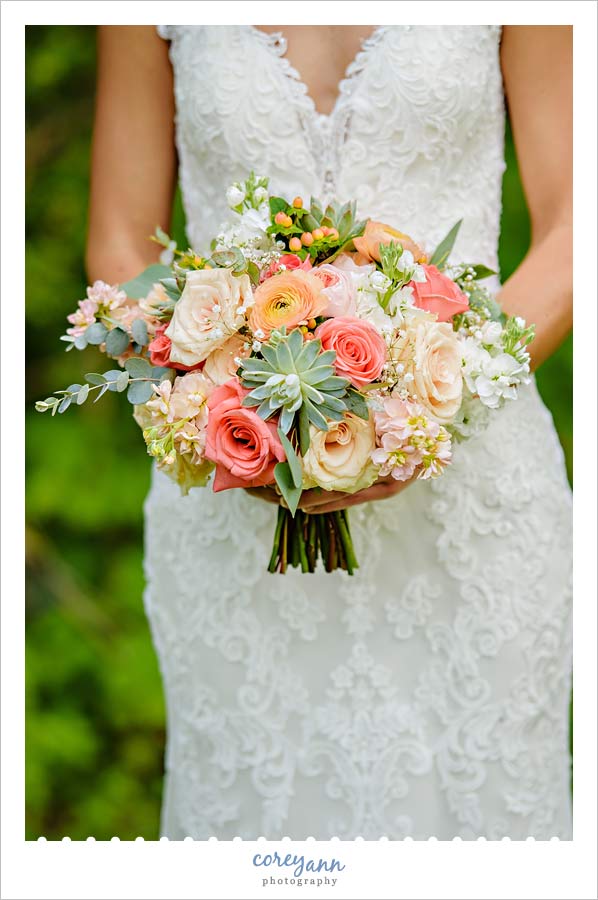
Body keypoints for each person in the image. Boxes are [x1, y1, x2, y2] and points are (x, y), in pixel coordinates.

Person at [86, 25, 572, 839]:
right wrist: (225, 399)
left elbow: (574, 226)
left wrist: (431, 401)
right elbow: (117, 246)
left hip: (474, 506)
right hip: (233, 503)